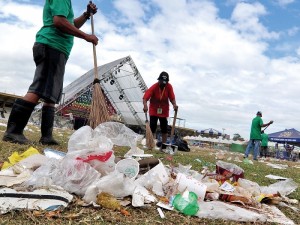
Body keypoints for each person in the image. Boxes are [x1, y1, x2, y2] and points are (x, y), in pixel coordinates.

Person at [2, 1, 99, 145]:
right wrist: (86, 36)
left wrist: (86, 15)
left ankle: (46, 137)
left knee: (51, 95)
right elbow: (59, 22)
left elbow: (70, 24)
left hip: (58, 49)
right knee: (39, 87)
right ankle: (13, 132)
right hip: (52, 45)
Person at [143, 71, 178, 150]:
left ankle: (164, 146)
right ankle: (150, 144)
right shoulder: (154, 87)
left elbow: (172, 98)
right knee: (152, 126)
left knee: (164, 127)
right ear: (159, 80)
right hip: (154, 109)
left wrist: (174, 105)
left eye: (165, 82)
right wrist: (145, 105)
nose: (163, 84)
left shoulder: (169, 87)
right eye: (162, 82)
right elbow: (145, 97)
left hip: (164, 109)